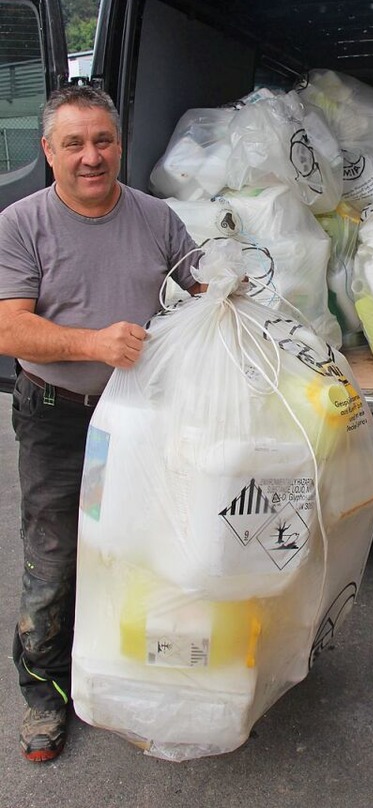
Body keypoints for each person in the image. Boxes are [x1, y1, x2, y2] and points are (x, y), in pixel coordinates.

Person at [0, 85, 204, 762]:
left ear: (120, 143)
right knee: (55, 562)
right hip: (58, 417)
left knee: (143, 552)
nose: (92, 157)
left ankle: (129, 680)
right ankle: (42, 700)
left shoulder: (157, 217)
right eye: (75, 143)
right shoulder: (22, 223)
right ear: (48, 151)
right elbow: (8, 326)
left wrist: (239, 292)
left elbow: (204, 286)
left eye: (104, 141)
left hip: (143, 419)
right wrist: (93, 344)